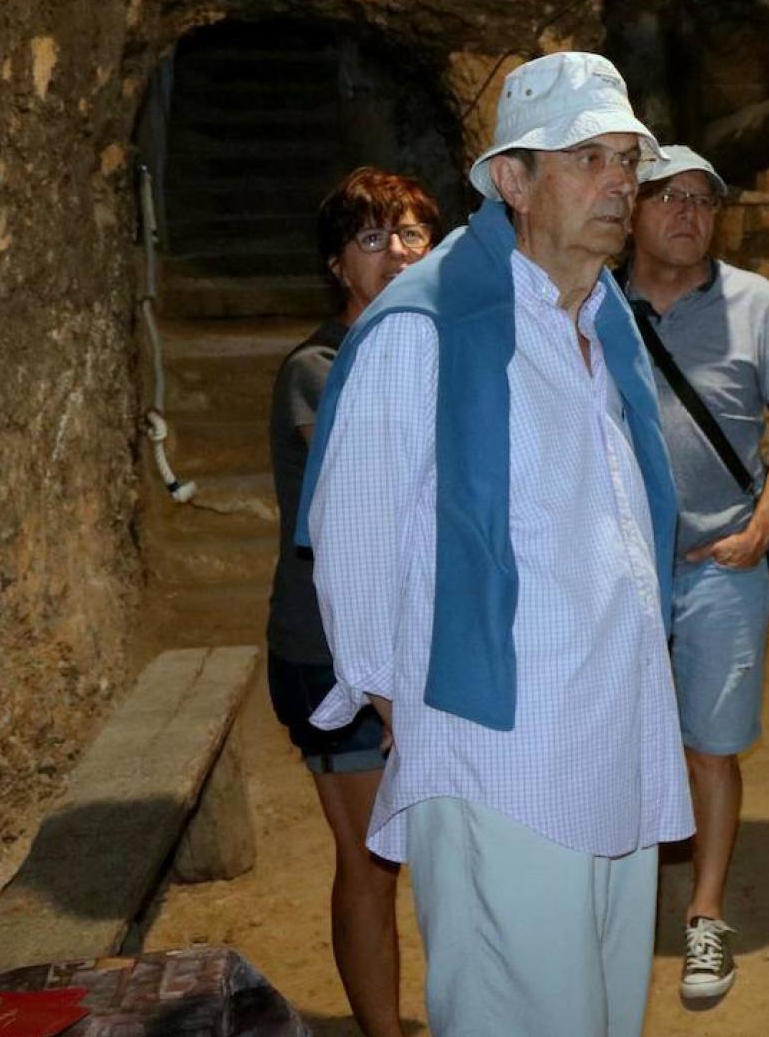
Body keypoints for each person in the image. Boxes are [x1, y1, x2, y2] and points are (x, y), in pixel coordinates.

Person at [297, 52, 692, 1037]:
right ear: (512, 181)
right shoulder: (423, 330)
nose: (616, 181)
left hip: (614, 742)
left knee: (600, 1017)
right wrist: (420, 711)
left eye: (626, 158)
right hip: (504, 759)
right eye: (585, 156)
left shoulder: (608, 327)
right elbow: (350, 541)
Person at [621, 144, 769, 1002]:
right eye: (668, 196)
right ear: (630, 207)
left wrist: (761, 527)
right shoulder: (590, 302)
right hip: (615, 573)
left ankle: (704, 917)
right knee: (616, 741)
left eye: (703, 200)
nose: (687, 214)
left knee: (710, 744)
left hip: (719, 564)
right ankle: (618, 913)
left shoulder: (754, 303)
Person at [266, 167, 440, 1037]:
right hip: (330, 651)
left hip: (415, 645)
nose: (397, 254)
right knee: (373, 859)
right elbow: (380, 481)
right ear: (338, 264)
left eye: (411, 234)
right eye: (372, 239)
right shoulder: (319, 369)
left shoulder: (433, 351)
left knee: (436, 851)